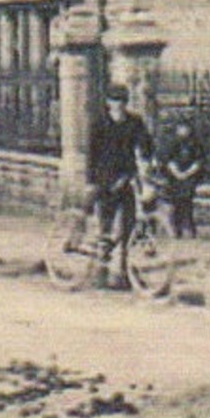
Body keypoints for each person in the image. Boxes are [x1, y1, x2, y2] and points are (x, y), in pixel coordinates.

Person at [86, 85, 153, 287]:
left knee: (127, 226)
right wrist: (91, 182)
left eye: (122, 101)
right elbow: (92, 154)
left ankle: (122, 271)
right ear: (108, 103)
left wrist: (148, 158)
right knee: (105, 226)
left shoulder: (134, 122)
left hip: (126, 176)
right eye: (115, 100)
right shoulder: (100, 124)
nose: (119, 105)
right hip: (105, 178)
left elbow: (145, 143)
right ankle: (99, 270)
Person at [159, 119, 205, 239]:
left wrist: (187, 173)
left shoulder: (195, 144)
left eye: (186, 128)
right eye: (181, 128)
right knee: (172, 202)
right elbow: (168, 160)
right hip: (173, 178)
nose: (184, 130)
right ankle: (174, 229)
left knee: (187, 202)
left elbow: (198, 161)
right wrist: (177, 173)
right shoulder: (172, 143)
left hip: (189, 178)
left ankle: (188, 229)